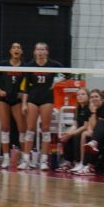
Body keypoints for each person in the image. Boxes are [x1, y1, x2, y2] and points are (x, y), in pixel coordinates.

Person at [19, 42, 63, 171]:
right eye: (38, 49)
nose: (40, 52)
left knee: (45, 128)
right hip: (32, 99)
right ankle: (26, 160)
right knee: (30, 128)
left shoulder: (54, 65)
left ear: (47, 52)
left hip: (47, 99)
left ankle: (44, 160)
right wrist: (23, 104)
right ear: (34, 52)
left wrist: (58, 79)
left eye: (43, 49)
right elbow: (26, 87)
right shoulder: (29, 66)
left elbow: (67, 73)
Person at [77, 89, 104, 175]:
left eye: (96, 96)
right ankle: (85, 164)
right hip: (101, 133)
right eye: (92, 97)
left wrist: (93, 112)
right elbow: (92, 126)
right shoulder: (92, 107)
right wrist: (89, 130)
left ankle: (90, 166)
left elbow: (97, 126)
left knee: (98, 128)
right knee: (87, 136)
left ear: (101, 98)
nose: (94, 99)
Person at [57, 88, 92, 172]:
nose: (80, 96)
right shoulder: (78, 108)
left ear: (88, 96)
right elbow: (75, 125)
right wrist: (68, 133)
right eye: (78, 95)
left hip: (87, 130)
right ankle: (68, 161)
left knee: (76, 136)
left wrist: (72, 134)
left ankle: (78, 161)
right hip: (80, 129)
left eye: (83, 94)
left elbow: (85, 126)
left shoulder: (89, 108)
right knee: (67, 136)